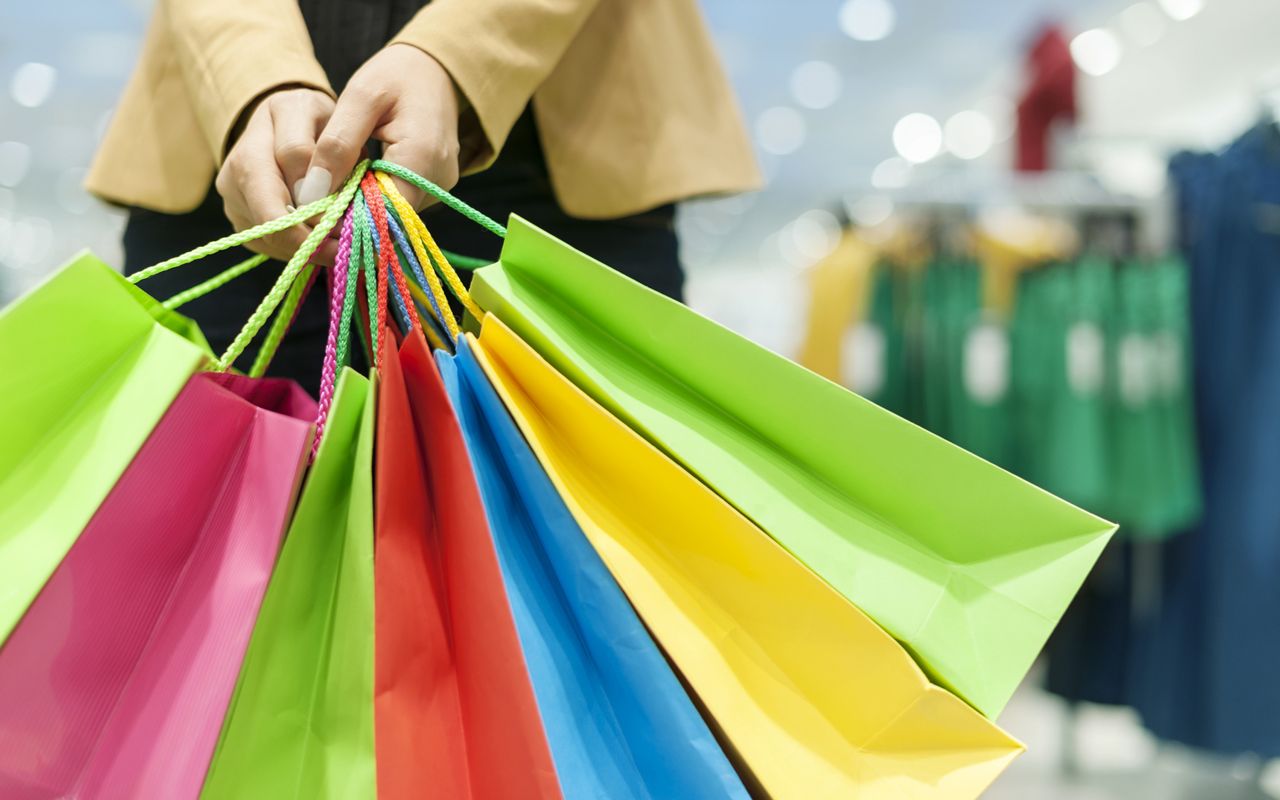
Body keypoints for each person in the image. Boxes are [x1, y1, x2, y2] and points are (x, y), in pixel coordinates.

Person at [87, 0, 759, 391]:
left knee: (585, 580)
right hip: (234, 159)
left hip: (557, 150)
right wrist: (251, 76)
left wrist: (462, 54)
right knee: (204, 584)